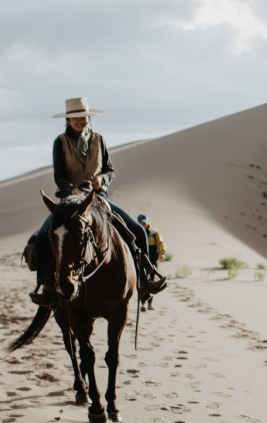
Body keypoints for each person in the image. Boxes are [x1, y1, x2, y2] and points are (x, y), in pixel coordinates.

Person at [28, 97, 167, 306]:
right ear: (68, 120)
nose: (80, 121)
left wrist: (102, 179)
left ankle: (145, 281)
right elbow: (59, 176)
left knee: (137, 231)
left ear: (88, 117)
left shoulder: (99, 139)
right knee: (42, 237)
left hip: (98, 197)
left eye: (83, 117)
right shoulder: (60, 142)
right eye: (75, 118)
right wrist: (69, 188)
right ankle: (47, 286)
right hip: (71, 199)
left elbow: (110, 170)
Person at [138, 213, 168, 311]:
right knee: (143, 283)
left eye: (144, 222)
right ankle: (143, 303)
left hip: (153, 262)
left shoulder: (154, 234)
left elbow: (161, 243)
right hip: (142, 262)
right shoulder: (137, 232)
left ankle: (149, 304)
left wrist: (162, 253)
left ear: (147, 223)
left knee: (152, 283)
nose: (142, 224)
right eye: (140, 222)